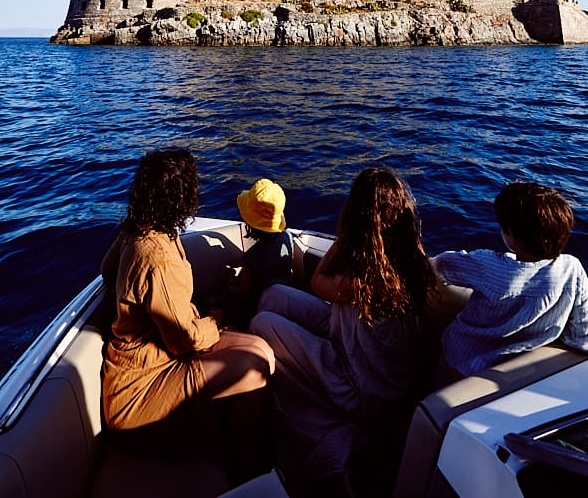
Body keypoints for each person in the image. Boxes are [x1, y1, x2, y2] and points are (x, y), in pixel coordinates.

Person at [249, 166, 437, 491]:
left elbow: (318, 280)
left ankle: (287, 412)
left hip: (359, 384)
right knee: (274, 296)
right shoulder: (410, 256)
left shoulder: (367, 281)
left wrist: (346, 233)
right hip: (354, 339)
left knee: (260, 323)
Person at [100, 149, 275, 484]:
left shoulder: (137, 230)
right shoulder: (156, 256)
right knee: (252, 371)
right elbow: (185, 341)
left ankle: (241, 445)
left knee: (261, 349)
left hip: (152, 361)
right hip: (138, 393)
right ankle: (246, 475)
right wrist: (214, 318)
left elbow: (106, 272)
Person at [432, 181, 588, 383]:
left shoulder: (490, 265)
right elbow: (581, 336)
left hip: (460, 361)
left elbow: (440, 265)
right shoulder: (573, 269)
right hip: (514, 370)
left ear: (511, 238)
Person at [230, 178, 292, 324]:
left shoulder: (251, 258)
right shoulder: (287, 238)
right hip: (286, 306)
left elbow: (245, 292)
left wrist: (232, 286)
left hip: (261, 311)